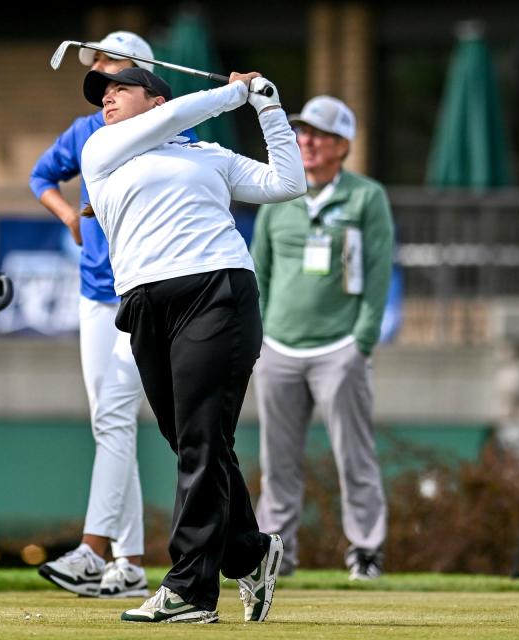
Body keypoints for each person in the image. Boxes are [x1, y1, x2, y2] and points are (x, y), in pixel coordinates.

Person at [81, 66, 306, 622]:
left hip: (218, 290)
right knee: (190, 441)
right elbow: (180, 113)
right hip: (145, 306)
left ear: (155, 97)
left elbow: (288, 184)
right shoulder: (103, 147)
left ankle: (189, 589)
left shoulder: (210, 156)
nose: (106, 98)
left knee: (202, 438)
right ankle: (250, 553)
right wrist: (234, 93)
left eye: (120, 88)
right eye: (101, 93)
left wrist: (269, 109)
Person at [30, 31, 197, 599]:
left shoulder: (171, 128)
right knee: (110, 421)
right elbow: (40, 178)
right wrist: (70, 218)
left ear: (145, 79)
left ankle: (104, 552)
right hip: (94, 293)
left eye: (109, 64)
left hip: (143, 291)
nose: (99, 73)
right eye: (96, 65)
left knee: (115, 418)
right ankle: (124, 561)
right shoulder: (84, 131)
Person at [251, 95, 393, 581]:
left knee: (354, 457)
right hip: (280, 348)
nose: (305, 142)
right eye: (302, 133)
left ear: (342, 145)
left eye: (317, 135)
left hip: (340, 349)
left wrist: (363, 342)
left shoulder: (366, 196)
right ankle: (277, 554)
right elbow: (260, 273)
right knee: (278, 461)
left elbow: (378, 274)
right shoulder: (280, 193)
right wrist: (261, 338)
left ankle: (366, 551)